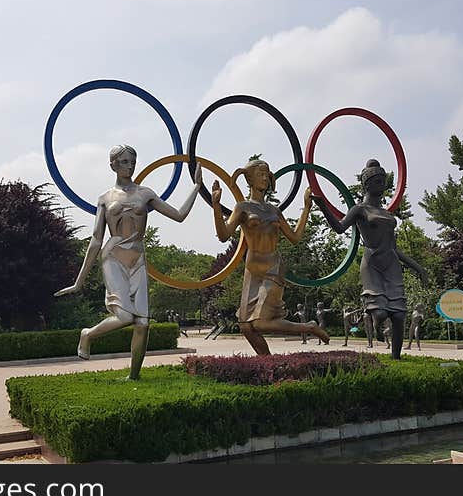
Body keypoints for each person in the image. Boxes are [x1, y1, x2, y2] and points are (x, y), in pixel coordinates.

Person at [55, 144, 202, 380]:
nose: (129, 166)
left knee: (143, 323)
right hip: (113, 256)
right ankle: (88, 335)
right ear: (112, 164)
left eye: (132, 161)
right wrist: (78, 282)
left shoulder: (146, 194)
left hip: (137, 256)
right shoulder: (105, 198)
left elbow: (179, 216)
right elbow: (95, 240)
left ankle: (133, 376)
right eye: (123, 161)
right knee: (125, 317)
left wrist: (196, 187)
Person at [211, 158, 328, 355]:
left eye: (267, 174)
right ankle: (267, 363)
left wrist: (306, 208)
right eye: (260, 174)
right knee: (246, 326)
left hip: (273, 266)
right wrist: (216, 205)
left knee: (261, 322)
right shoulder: (242, 208)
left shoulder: (274, 210)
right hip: (252, 269)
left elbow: (295, 237)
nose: (265, 178)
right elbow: (223, 235)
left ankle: (308, 327)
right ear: (249, 179)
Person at [313, 159, 428, 359]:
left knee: (399, 315)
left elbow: (394, 248)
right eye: (377, 181)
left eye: (383, 181)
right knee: (381, 313)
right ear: (366, 184)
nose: (381, 185)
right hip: (372, 263)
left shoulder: (386, 213)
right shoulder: (360, 210)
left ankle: (396, 358)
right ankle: (373, 321)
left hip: (391, 264)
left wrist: (419, 268)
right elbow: (340, 228)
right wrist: (323, 206)